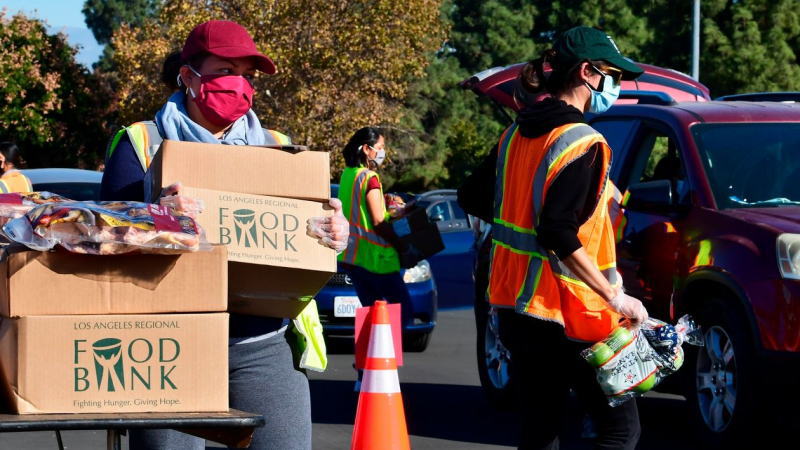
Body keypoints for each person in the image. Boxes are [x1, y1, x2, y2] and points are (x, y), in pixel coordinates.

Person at [101, 20, 348, 450]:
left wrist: (331, 234)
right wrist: (156, 220)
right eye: (224, 71)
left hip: (261, 343)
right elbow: (102, 241)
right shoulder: (140, 143)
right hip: (166, 348)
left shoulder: (278, 147)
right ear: (188, 76)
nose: (239, 84)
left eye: (247, 75)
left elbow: (304, 236)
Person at [459, 26, 649, 449]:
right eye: (612, 74)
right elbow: (556, 232)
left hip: (513, 307)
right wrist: (615, 297)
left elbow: (470, 196)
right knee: (619, 429)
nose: (616, 84)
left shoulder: (515, 134)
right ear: (587, 73)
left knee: (541, 428)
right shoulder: (583, 142)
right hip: (570, 312)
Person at [337, 127, 413, 328]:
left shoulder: (348, 175)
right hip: (376, 258)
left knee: (371, 312)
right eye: (380, 147)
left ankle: (368, 358)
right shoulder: (369, 178)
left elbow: (360, 213)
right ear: (366, 149)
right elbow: (378, 222)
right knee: (402, 313)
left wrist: (390, 211)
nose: (382, 153)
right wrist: (401, 246)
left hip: (353, 257)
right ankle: (384, 358)